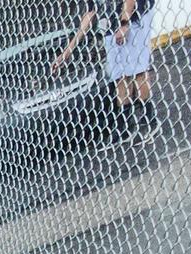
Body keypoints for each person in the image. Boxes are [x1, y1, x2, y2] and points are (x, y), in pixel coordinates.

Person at [54, 0, 159, 146]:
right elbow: (91, 13)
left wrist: (125, 24)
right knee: (119, 75)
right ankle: (124, 128)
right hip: (112, 23)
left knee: (137, 70)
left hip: (136, 17)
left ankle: (150, 121)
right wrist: (67, 52)